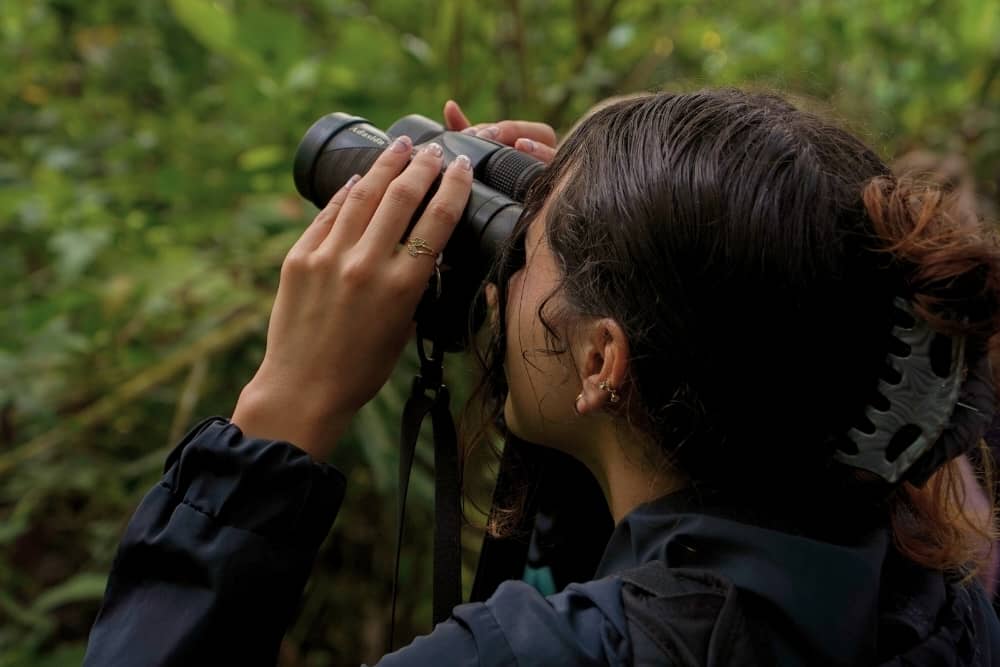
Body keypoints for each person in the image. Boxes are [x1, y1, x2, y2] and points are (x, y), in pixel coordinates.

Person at [83, 89, 1000, 666]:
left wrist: (281, 412)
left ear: (603, 362)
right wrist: (584, 245)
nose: (502, 273)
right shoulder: (927, 589)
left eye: (528, 256)